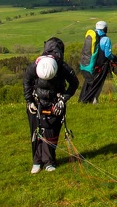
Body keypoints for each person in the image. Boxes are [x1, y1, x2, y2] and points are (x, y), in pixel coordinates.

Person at [23, 37, 79, 174]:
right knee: (36, 132)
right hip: (36, 103)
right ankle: (37, 161)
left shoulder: (62, 66)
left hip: (55, 102)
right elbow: (27, 82)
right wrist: (29, 101)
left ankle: (49, 161)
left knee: (51, 132)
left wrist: (63, 99)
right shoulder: (35, 66)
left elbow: (74, 83)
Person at [78, 20, 117, 104]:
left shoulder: (93, 37)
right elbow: (107, 54)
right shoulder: (106, 39)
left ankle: (83, 100)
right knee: (98, 83)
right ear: (104, 29)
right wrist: (114, 58)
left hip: (89, 64)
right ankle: (93, 100)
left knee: (89, 82)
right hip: (101, 66)